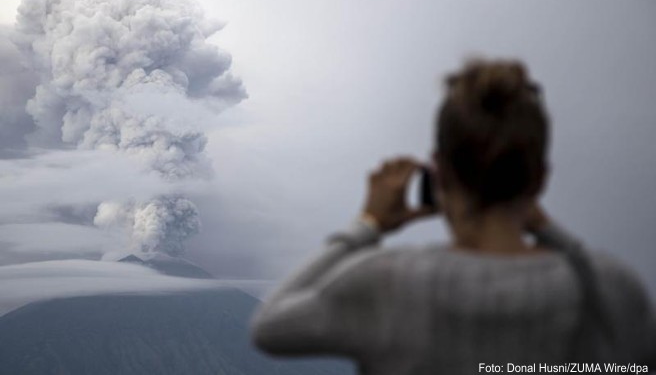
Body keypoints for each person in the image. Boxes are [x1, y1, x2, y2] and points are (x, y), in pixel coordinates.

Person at [250, 59, 655, 374]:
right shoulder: (612, 288)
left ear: (439, 173)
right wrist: (556, 237)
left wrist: (367, 225)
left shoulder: (386, 282)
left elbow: (269, 327)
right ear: (540, 178)